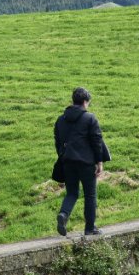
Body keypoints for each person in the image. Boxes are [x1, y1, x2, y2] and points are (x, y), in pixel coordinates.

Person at [54, 87, 109, 236]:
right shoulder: (90, 118)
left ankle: (63, 214)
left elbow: (58, 141)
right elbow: (97, 141)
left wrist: (63, 155)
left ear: (73, 101)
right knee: (90, 194)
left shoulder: (60, 119)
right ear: (85, 102)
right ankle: (90, 228)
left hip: (67, 161)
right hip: (86, 163)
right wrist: (99, 162)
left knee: (72, 193)